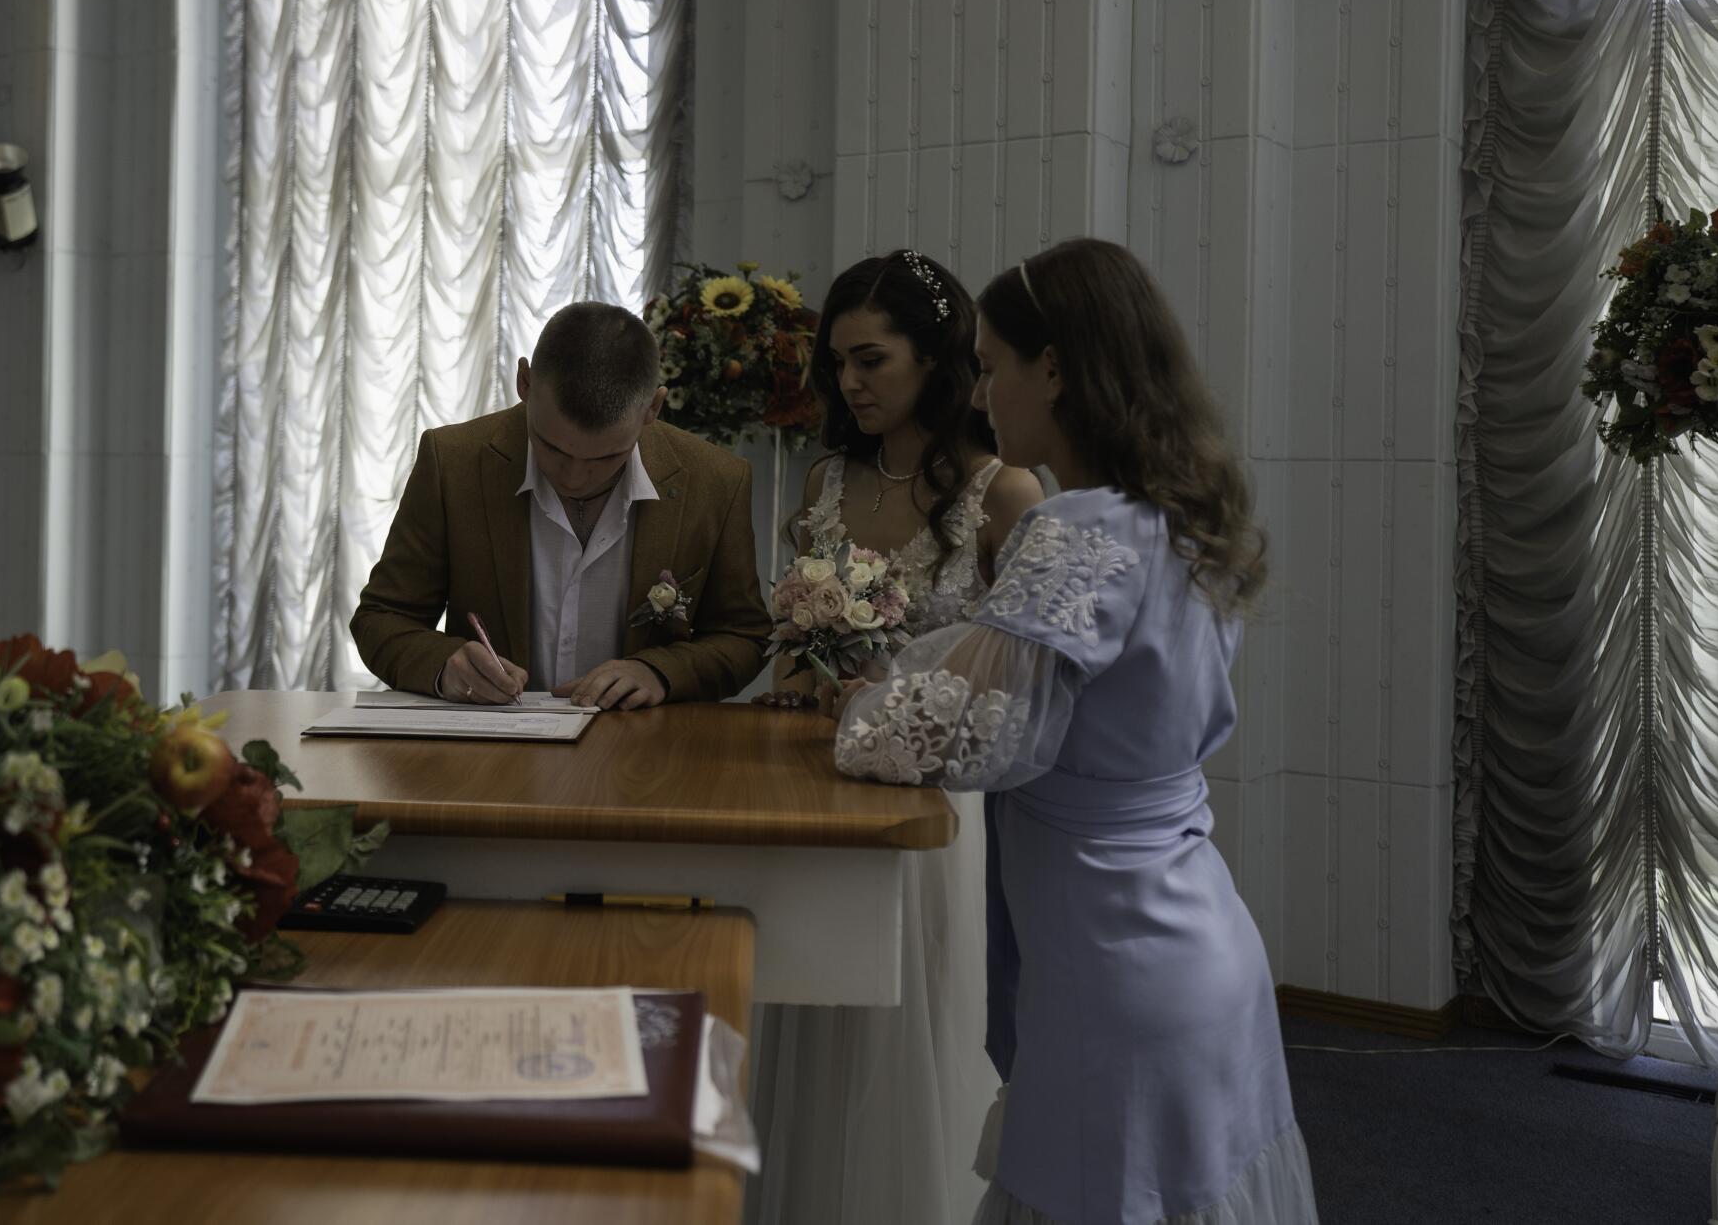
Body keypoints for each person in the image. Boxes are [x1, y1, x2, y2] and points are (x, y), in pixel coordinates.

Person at [828, 240, 1318, 1225]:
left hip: (1111, 961)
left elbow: (943, 737)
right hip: (1193, 927)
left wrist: (860, 702)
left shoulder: (1077, 529)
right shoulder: (1173, 514)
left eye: (989, 364)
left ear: (1050, 368)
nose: (976, 394)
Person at [747, 250, 1043, 1225]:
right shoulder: (824, 482)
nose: (848, 382)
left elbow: (1019, 673)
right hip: (817, 793)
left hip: (930, 814)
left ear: (936, 358)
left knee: (901, 1035)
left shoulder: (1002, 496)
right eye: (837, 363)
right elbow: (792, 657)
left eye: (870, 359)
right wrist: (802, 670)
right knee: (808, 1013)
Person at [351, 301, 772, 708]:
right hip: (488, 756)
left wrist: (661, 672)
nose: (573, 477)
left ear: (653, 408)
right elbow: (382, 618)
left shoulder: (716, 480)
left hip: (644, 758)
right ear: (525, 383)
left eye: (606, 458)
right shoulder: (453, 461)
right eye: (551, 447)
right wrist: (445, 667)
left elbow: (742, 637)